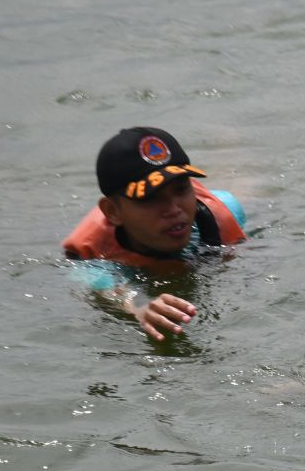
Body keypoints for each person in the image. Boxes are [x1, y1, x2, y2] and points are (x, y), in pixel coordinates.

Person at [62, 126, 247, 340]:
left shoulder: (222, 212)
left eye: (180, 189)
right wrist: (140, 305)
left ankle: (233, 151)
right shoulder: (93, 254)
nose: (174, 209)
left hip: (223, 199)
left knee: (248, 189)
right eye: (151, 198)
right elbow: (104, 284)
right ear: (112, 212)